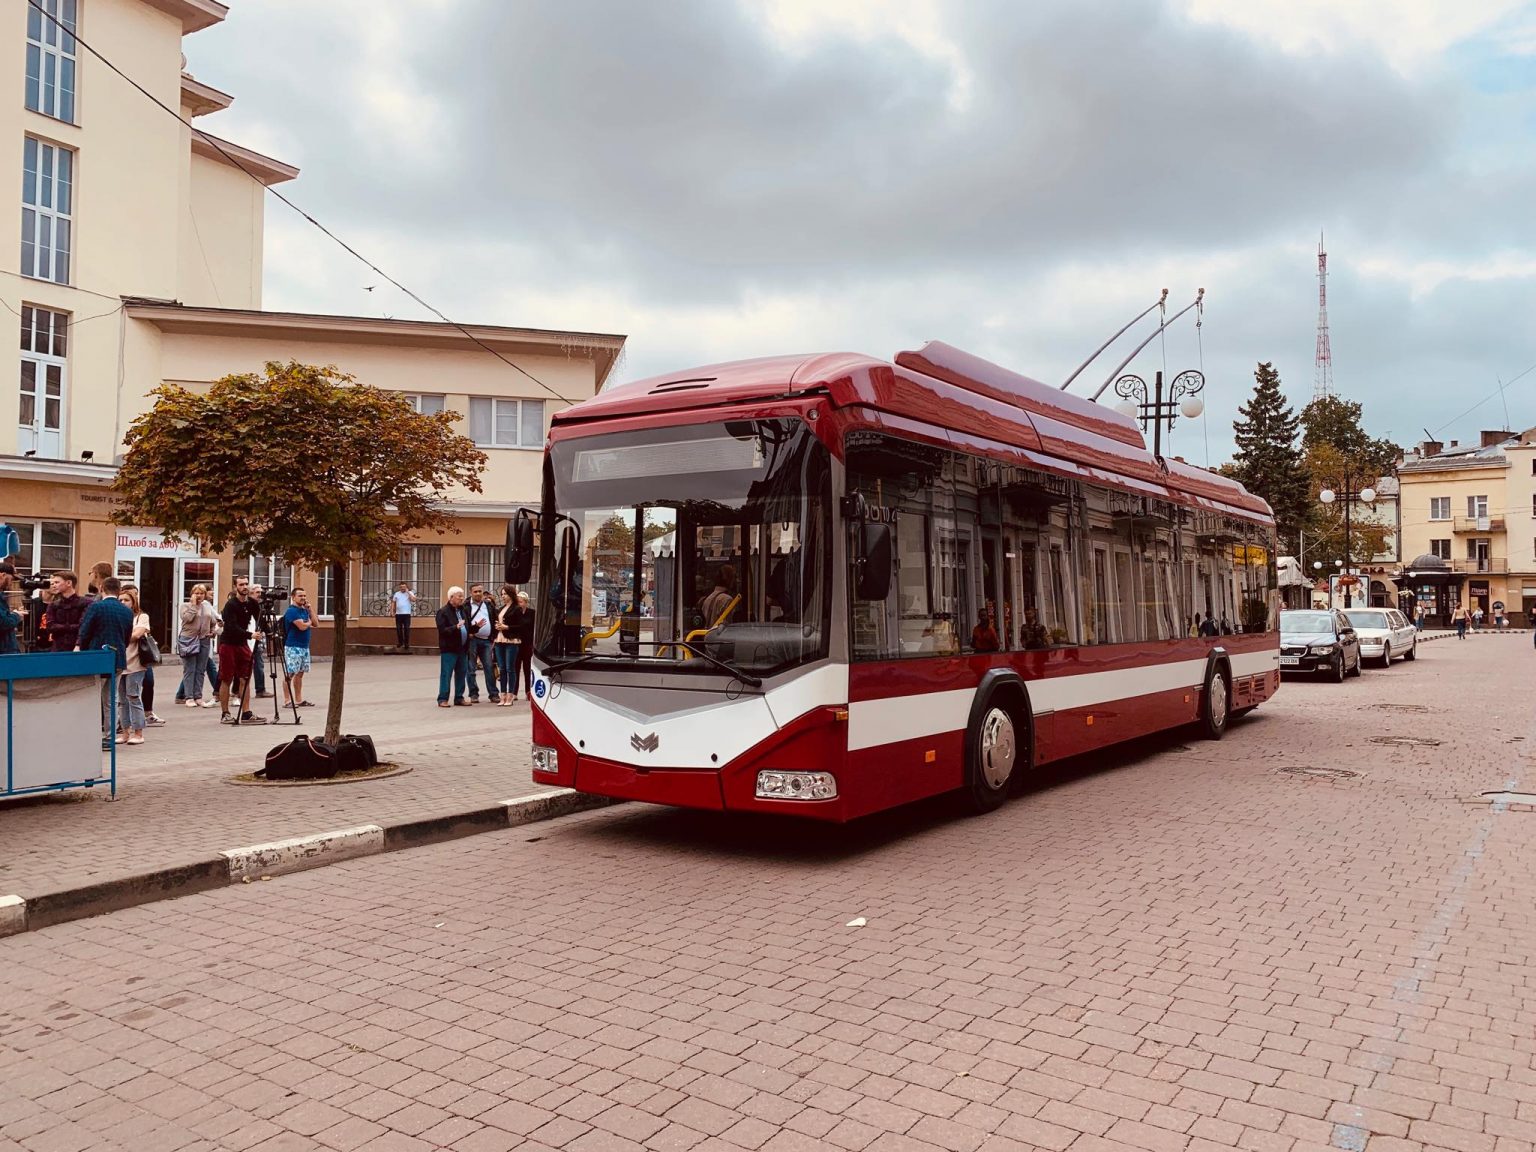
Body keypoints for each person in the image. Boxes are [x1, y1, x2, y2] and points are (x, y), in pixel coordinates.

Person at [76, 576, 133, 750]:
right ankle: (110, 737)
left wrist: (79, 646)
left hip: (97, 657)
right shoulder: (126, 611)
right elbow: (127, 637)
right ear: (119, 590)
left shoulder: (96, 607)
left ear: (102, 588)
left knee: (93, 697)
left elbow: (85, 630)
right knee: (111, 699)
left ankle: (90, 735)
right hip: (118, 658)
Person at [217, 576, 266, 724]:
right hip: (228, 644)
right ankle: (225, 713)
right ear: (235, 587)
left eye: (246, 584)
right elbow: (231, 627)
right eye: (241, 584)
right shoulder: (231, 605)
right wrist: (250, 635)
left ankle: (246, 712)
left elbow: (260, 618)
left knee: (245, 677)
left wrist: (268, 631)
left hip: (242, 644)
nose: (244, 587)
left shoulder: (252, 603)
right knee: (227, 678)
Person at [116, 585, 153, 745]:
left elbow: (137, 635)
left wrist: (118, 636)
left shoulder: (141, 617)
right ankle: (125, 732)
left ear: (133, 602)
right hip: (120, 662)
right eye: (120, 600)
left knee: (133, 696)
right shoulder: (118, 616)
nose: (123, 602)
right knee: (122, 700)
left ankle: (138, 732)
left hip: (135, 662)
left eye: (126, 600)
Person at [178, 583, 219, 706]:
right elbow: (187, 619)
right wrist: (194, 606)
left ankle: (198, 696)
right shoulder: (185, 606)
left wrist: (213, 632)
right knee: (190, 669)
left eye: (201, 593)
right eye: (196, 593)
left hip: (204, 640)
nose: (199, 595)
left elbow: (212, 620)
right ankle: (189, 697)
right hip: (189, 639)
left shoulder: (206, 607)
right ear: (192, 594)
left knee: (201, 669)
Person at [463, 584, 501, 704]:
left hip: (487, 641)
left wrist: (493, 636)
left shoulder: (489, 605)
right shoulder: (466, 607)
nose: (478, 593)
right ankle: (474, 694)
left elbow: (495, 619)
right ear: (471, 593)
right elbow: (464, 623)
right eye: (475, 592)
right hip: (472, 640)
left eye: (480, 591)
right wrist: (471, 631)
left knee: (489, 667)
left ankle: (493, 694)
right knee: (471, 668)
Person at [436, 587, 470, 707]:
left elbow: (467, 627)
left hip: (463, 648)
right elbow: (442, 630)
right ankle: (443, 699)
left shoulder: (463, 610)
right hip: (449, 649)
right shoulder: (443, 612)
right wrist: (455, 627)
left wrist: (476, 627)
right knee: (446, 674)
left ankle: (459, 698)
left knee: (461, 673)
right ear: (451, 598)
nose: (462, 598)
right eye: (459, 596)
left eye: (462, 596)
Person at [281, 587, 314, 708]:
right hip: (293, 646)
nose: (303, 598)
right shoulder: (291, 611)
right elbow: (302, 627)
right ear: (293, 597)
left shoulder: (304, 610)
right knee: (290, 673)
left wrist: (310, 611)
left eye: (304, 596)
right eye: (300, 596)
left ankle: (299, 699)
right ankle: (287, 700)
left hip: (304, 647)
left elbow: (316, 623)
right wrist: (308, 622)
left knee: (300, 673)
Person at [46, 571, 88, 652]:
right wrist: (72, 627)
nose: (54, 585)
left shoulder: (85, 603)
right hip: (58, 648)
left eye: (57, 582)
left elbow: (84, 626)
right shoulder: (53, 605)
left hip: (79, 648)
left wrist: (61, 627)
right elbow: (50, 627)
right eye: (53, 583)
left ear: (69, 583)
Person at [493, 584, 519, 706]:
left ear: (511, 594)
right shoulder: (501, 608)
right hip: (499, 639)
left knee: (510, 668)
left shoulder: (517, 608)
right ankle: (502, 694)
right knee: (502, 668)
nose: (503, 596)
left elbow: (521, 627)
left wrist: (506, 627)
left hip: (511, 640)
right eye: (502, 594)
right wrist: (498, 626)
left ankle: (510, 695)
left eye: (505, 594)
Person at [509, 589, 535, 702]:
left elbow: (534, 629)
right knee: (515, 668)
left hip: (527, 644)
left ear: (526, 602)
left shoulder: (532, 613)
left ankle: (528, 692)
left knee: (527, 669)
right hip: (516, 643)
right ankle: (514, 692)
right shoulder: (514, 613)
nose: (519, 604)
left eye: (521, 602)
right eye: (518, 602)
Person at [248, 584, 269, 698]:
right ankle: (236, 690)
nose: (260, 595)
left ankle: (260, 689)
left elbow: (263, 623)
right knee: (245, 665)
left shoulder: (261, 606)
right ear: (251, 594)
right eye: (257, 592)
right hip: (249, 638)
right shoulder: (248, 605)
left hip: (258, 638)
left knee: (259, 664)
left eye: (261, 592)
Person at [0, 562, 20, 655]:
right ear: (3, 575)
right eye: (11, 579)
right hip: (4, 651)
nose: (11, 583)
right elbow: (3, 622)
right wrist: (17, 615)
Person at [392, 581, 417, 650]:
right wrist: (392, 611)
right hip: (398, 614)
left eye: (404, 587)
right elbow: (393, 602)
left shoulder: (410, 593)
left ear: (406, 587)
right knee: (398, 629)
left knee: (406, 629)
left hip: (406, 614)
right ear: (399, 588)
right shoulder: (397, 594)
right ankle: (400, 642)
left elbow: (414, 600)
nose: (402, 588)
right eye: (401, 587)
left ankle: (406, 643)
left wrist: (408, 592)